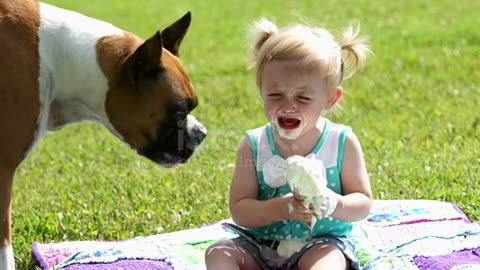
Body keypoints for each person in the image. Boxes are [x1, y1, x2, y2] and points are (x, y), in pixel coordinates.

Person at [205, 18, 373, 270]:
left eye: (303, 97)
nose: (288, 106)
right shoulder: (254, 144)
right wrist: (282, 207)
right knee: (218, 253)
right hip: (261, 244)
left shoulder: (341, 142)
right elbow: (240, 210)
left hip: (321, 243)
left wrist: (333, 203)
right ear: (261, 89)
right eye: (275, 95)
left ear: (331, 99)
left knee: (328, 262)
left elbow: (362, 203)